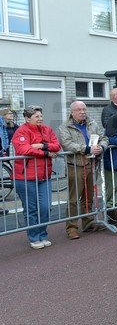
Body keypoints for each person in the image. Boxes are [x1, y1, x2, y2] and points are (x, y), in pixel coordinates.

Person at [12, 106, 61, 249]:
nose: (40, 118)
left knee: (46, 207)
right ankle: (34, 237)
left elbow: (56, 146)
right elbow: (24, 149)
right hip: (25, 177)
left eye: (41, 116)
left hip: (44, 176)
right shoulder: (21, 131)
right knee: (31, 209)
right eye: (36, 116)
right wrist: (46, 153)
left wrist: (40, 145)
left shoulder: (47, 129)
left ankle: (43, 234)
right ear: (27, 119)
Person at [58, 101, 109, 239]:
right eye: (79, 109)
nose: (82, 112)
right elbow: (67, 144)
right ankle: (72, 228)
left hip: (92, 164)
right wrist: (86, 149)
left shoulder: (93, 123)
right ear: (72, 112)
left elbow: (103, 138)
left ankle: (88, 222)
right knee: (73, 199)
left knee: (89, 197)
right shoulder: (65, 127)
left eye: (84, 109)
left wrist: (102, 147)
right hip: (75, 166)